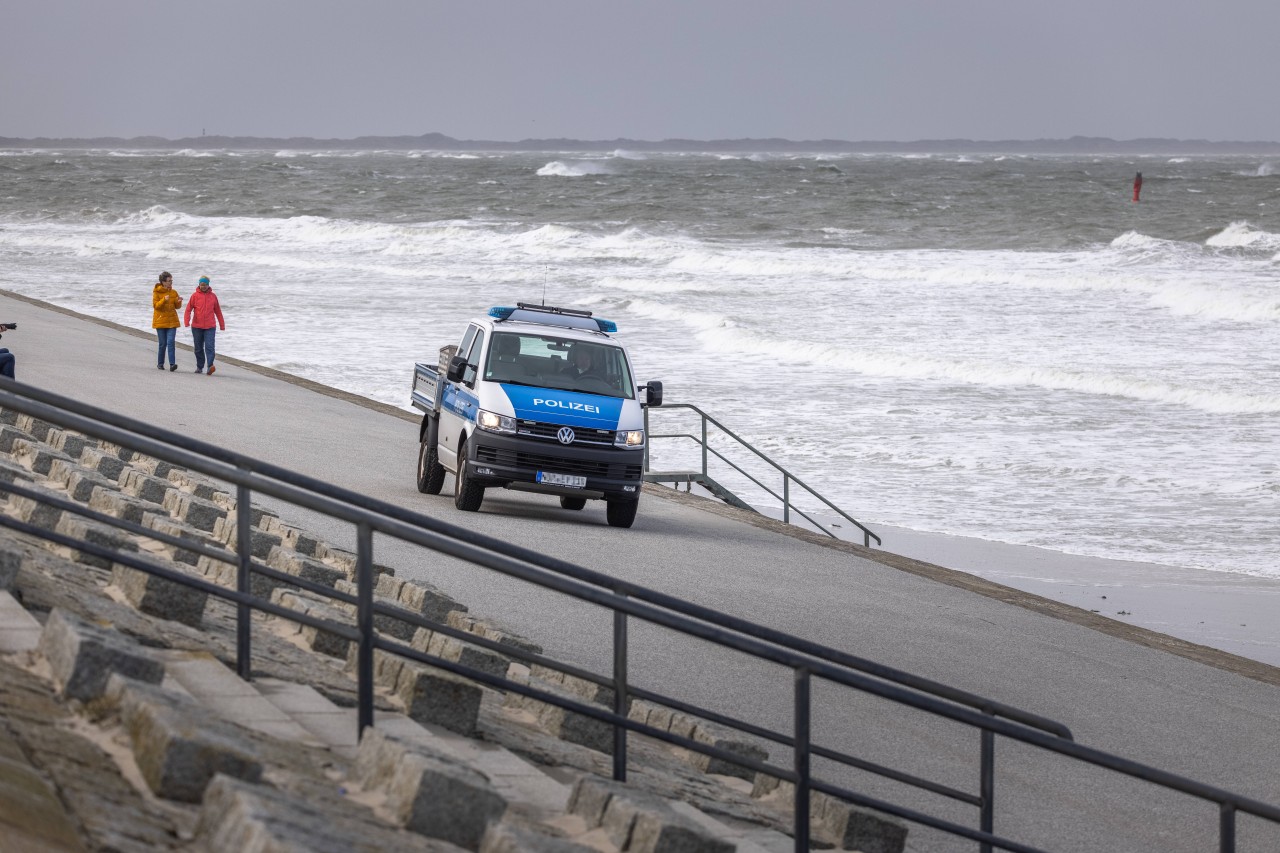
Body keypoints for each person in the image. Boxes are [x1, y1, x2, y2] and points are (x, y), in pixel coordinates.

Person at [183, 275, 226, 375]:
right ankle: (199, 366)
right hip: (197, 326)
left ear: (208, 285)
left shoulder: (213, 296)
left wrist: (222, 324)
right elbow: (188, 309)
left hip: (210, 326)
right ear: (199, 284)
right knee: (198, 348)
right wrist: (186, 321)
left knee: (210, 346)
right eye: (202, 284)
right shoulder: (194, 296)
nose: (203, 286)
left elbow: (218, 311)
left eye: (205, 285)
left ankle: (210, 366)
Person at [152, 272, 183, 371]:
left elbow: (177, 307)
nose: (171, 282)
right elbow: (156, 306)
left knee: (171, 342)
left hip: (172, 321)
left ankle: (172, 364)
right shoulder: (157, 292)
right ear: (163, 282)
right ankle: (160, 364)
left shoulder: (173, 292)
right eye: (169, 281)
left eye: (171, 280)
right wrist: (163, 300)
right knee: (162, 343)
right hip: (160, 321)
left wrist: (178, 301)